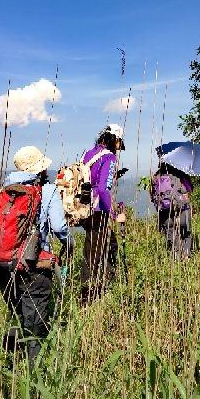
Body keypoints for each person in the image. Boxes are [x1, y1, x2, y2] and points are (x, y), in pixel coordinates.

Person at [0, 145, 68, 367]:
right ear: (40, 169)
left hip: (5, 266)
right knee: (35, 323)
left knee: (18, 316)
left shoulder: (5, 191)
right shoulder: (48, 191)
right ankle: (34, 379)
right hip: (34, 266)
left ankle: (10, 367)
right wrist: (69, 246)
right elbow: (61, 227)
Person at [79, 123, 126, 305]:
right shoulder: (110, 158)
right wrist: (114, 215)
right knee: (96, 254)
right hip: (98, 212)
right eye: (119, 143)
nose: (119, 148)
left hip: (84, 209)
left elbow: (91, 180)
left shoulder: (88, 153)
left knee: (102, 248)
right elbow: (103, 190)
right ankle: (90, 299)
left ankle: (100, 291)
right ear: (115, 140)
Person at [150, 163, 193, 259]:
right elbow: (190, 189)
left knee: (173, 239)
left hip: (165, 214)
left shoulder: (156, 176)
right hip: (182, 212)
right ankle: (186, 258)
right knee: (187, 235)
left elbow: (152, 198)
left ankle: (177, 260)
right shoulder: (180, 174)